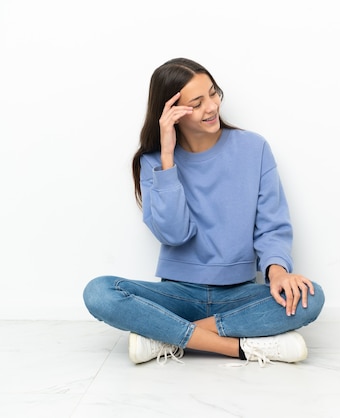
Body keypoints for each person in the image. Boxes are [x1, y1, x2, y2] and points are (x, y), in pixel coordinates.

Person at [83, 58, 325, 366]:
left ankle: (165, 337)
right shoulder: (154, 162)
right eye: (196, 103)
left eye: (213, 93)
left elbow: (272, 226)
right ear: (171, 113)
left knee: (311, 296)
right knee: (100, 292)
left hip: (237, 296)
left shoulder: (254, 148)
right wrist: (168, 157)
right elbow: (174, 233)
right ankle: (241, 348)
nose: (211, 107)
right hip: (176, 297)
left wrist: (277, 271)